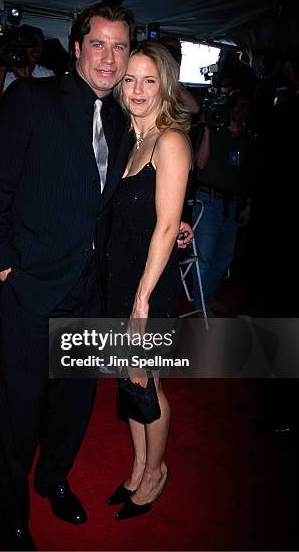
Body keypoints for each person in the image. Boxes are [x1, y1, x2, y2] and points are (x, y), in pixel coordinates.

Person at [0, 3, 138, 550]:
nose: (109, 58)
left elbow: (113, 201)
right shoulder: (32, 100)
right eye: (99, 44)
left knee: (73, 403)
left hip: (90, 286)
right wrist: (1, 264)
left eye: (119, 47)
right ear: (76, 48)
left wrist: (175, 220)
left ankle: (54, 480)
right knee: (21, 410)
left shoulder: (121, 118)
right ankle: (11, 516)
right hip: (32, 283)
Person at [106, 41, 193, 520]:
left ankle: (156, 472)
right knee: (129, 379)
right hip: (121, 279)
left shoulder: (170, 140)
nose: (137, 90)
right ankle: (139, 465)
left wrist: (141, 301)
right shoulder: (129, 139)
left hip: (148, 286)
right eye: (130, 79)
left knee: (149, 383)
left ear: (165, 87)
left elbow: (164, 225)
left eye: (149, 80)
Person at [192, 89, 253, 313]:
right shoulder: (215, 130)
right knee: (204, 257)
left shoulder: (247, 138)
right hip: (208, 201)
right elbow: (199, 164)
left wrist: (247, 205)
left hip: (233, 204)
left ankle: (207, 298)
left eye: (245, 105)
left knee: (223, 258)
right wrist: (207, 127)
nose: (240, 109)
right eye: (236, 104)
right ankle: (201, 308)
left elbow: (250, 175)